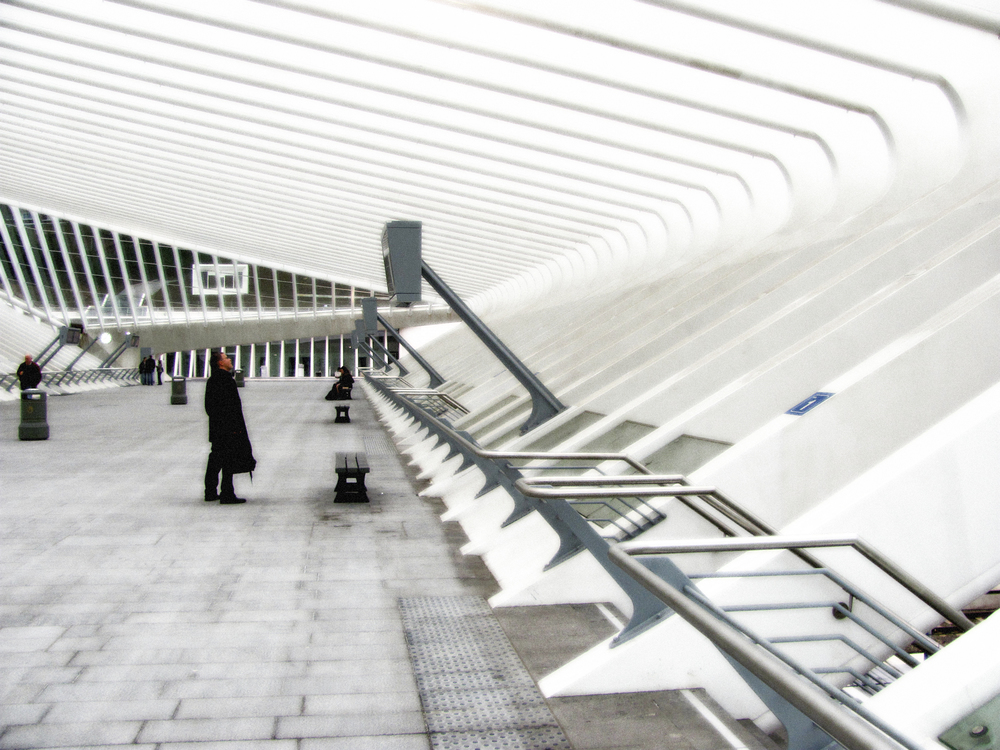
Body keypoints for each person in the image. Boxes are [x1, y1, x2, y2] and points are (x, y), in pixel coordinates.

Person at [204, 350, 256, 504]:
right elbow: (232, 408)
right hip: (228, 429)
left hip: (217, 429)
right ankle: (227, 493)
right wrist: (235, 427)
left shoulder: (213, 380)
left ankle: (210, 491)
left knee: (215, 459)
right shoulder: (226, 380)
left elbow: (209, 407)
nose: (229, 360)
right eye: (226, 358)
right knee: (228, 460)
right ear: (220, 363)